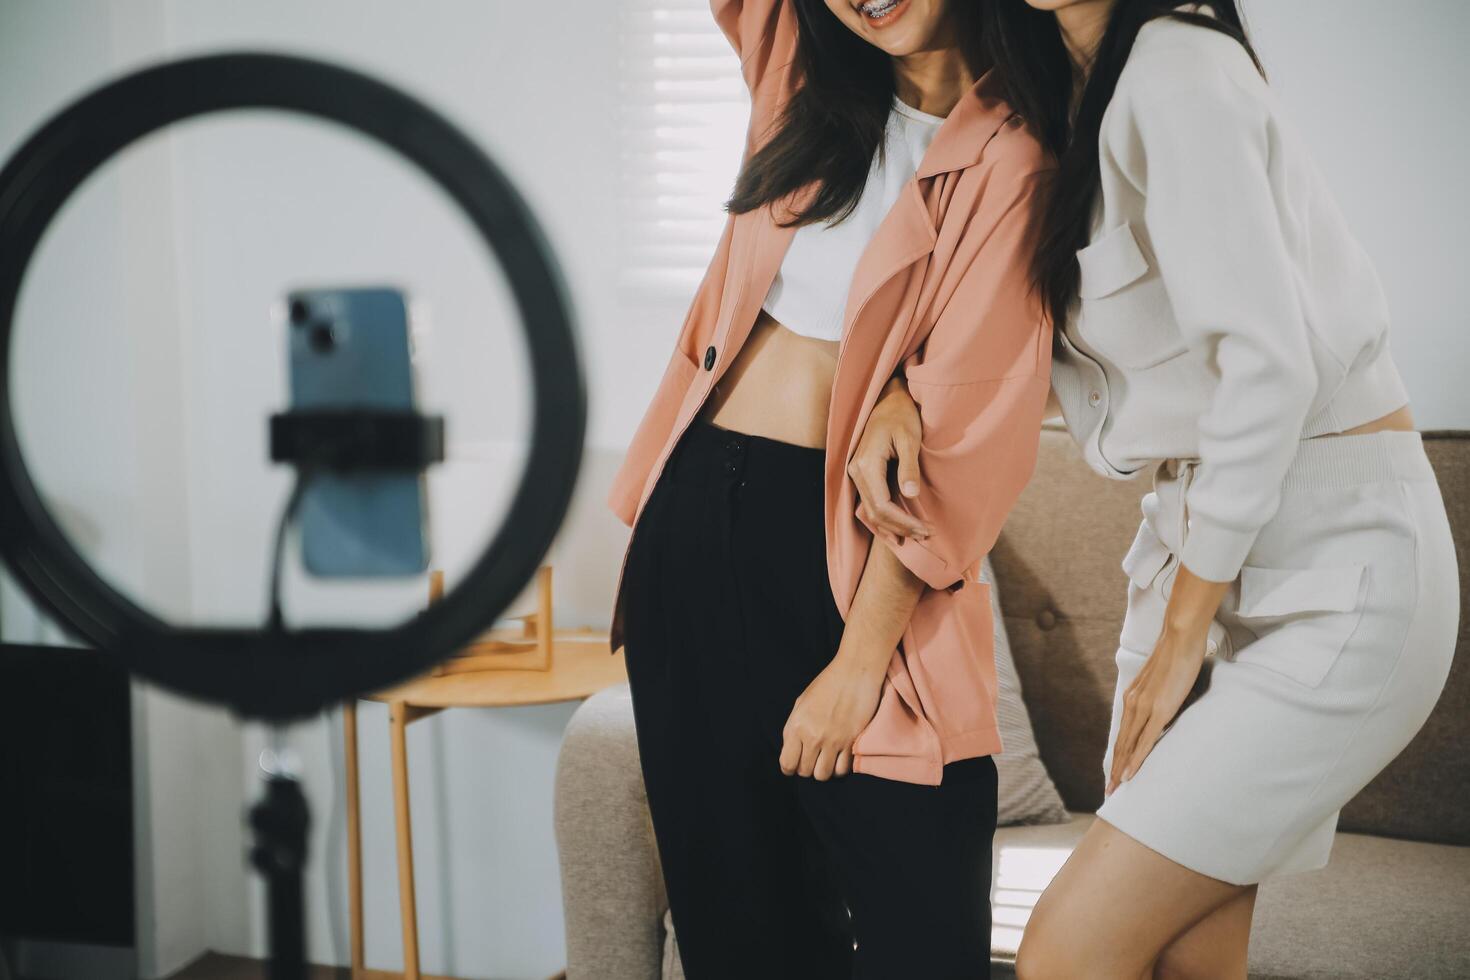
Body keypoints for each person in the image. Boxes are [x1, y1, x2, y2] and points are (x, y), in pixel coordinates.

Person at [847, 2, 1459, 977]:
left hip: (1331, 566)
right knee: (1188, 957)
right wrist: (895, 398)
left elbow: (1268, 370)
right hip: (1203, 552)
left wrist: (1184, 634)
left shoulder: (1177, 69)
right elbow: (1066, 365)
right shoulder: (1066, 95)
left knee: (1065, 949)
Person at [606, 0, 1053, 975]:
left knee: (926, 934)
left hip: (858, 564)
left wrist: (858, 665)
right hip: (697, 529)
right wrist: (884, 379)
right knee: (739, 937)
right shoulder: (800, 80)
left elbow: (968, 433)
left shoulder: (1016, 155)